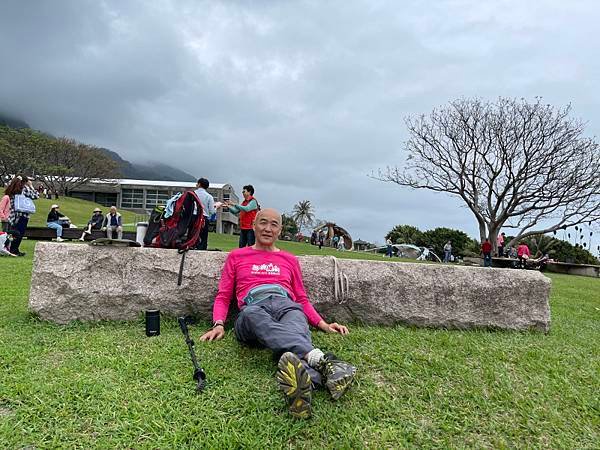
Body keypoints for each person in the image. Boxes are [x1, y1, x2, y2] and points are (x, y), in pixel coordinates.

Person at [200, 208, 356, 419]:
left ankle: (307, 380)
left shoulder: (289, 259)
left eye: (274, 224)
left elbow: (301, 298)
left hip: (286, 305)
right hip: (253, 310)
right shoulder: (237, 256)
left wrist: (323, 324)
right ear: (253, 225)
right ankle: (323, 361)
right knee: (254, 315)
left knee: (295, 316)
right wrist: (218, 323)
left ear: (280, 230)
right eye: (263, 223)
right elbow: (224, 294)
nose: (267, 228)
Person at [5, 175, 39, 256]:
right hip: (22, 214)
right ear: (24, 182)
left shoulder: (11, 187)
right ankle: (14, 250)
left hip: (13, 214)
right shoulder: (24, 189)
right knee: (19, 233)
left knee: (13, 232)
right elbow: (36, 195)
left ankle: (8, 248)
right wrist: (31, 186)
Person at [194, 178, 216, 250]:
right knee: (203, 238)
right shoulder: (209, 196)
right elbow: (212, 211)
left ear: (199, 184)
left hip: (192, 218)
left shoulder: (192, 194)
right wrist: (216, 206)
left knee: (192, 235)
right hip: (203, 218)